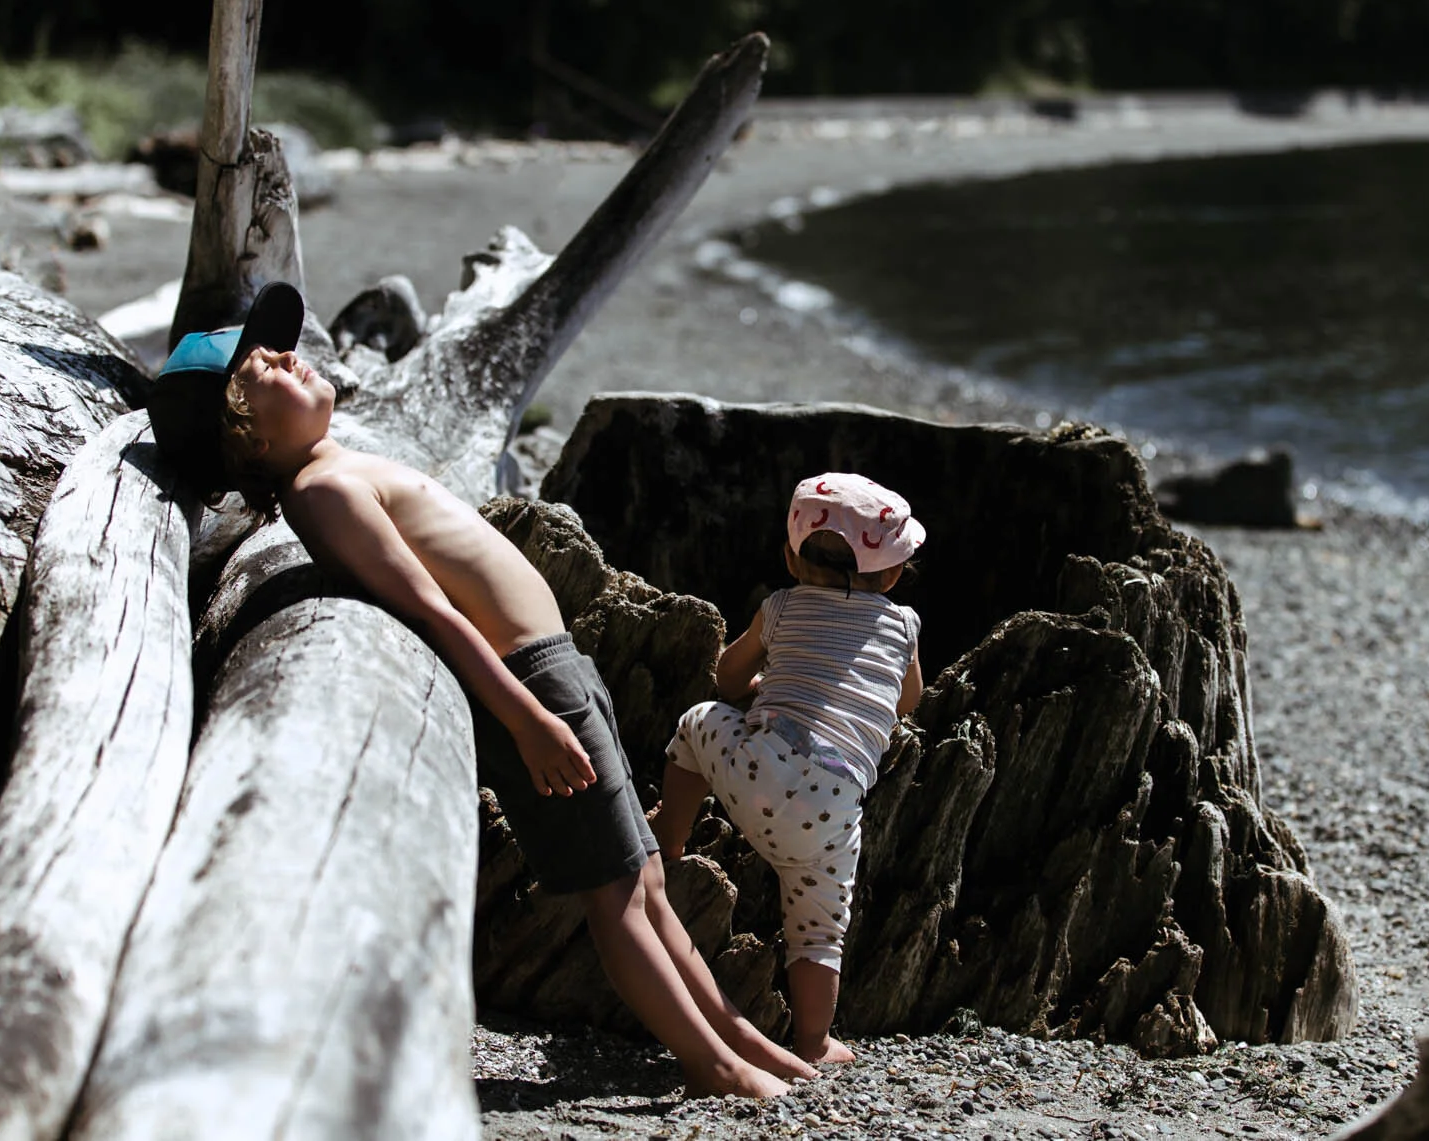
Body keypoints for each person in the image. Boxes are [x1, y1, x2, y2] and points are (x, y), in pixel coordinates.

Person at [144, 282, 811, 1099]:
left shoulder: (330, 467)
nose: (289, 353)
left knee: (644, 878)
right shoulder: (321, 492)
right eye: (263, 367)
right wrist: (527, 720)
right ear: (246, 435)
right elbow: (431, 607)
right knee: (615, 898)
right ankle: (713, 1065)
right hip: (525, 683)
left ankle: (740, 1037)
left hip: (552, 666)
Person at [650, 472, 926, 1066]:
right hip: (833, 809)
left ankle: (667, 844)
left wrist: (762, 683)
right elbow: (906, 701)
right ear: (894, 573)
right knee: (820, 932)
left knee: (699, 720)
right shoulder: (904, 626)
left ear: (791, 558)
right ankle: (814, 1042)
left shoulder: (779, 607)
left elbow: (727, 679)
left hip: (761, 769)